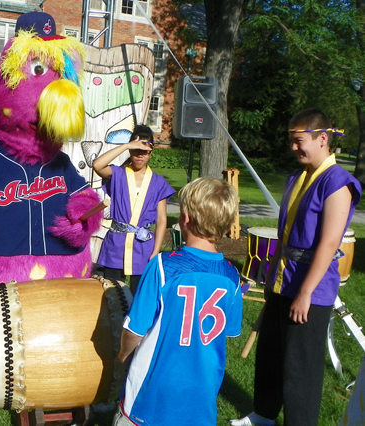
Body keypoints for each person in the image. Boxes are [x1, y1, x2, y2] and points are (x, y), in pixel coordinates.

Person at [231, 108, 362, 426]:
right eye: (291, 140)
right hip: (281, 280)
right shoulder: (297, 176)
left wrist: (305, 293)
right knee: (271, 355)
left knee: (299, 367)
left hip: (310, 288)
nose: (293, 147)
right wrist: (271, 280)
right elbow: (286, 234)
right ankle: (263, 414)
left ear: (321, 139)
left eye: (298, 140)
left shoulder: (338, 183)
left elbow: (329, 244)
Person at [112, 177, 243, 426]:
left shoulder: (163, 266)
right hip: (201, 398)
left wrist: (123, 355)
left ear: (185, 219)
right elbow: (227, 333)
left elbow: (134, 329)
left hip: (151, 397)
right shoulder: (231, 276)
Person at [93, 124, 175, 295]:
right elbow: (98, 165)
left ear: (151, 152)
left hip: (143, 247)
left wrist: (156, 251)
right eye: (136, 150)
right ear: (130, 151)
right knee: (112, 293)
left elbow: (161, 220)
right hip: (116, 244)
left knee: (140, 294)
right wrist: (126, 145)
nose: (140, 155)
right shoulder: (118, 174)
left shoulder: (158, 182)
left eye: (144, 151)